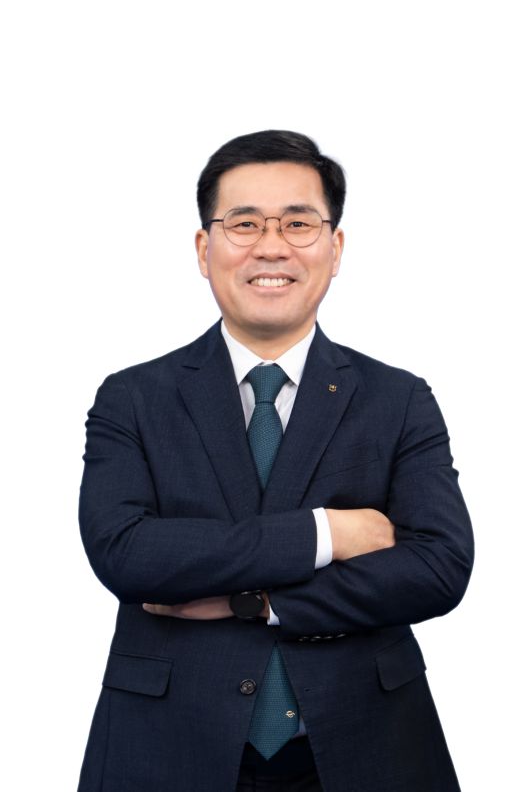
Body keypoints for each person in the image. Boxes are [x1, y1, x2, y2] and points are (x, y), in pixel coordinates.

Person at [77, 130, 474, 791]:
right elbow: (127, 554)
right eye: (244, 223)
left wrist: (257, 603)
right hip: (169, 743)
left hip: (366, 741)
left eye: (298, 223)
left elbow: (439, 567)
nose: (271, 246)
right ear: (204, 249)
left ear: (334, 248)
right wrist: (328, 533)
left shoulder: (399, 399)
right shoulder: (134, 397)